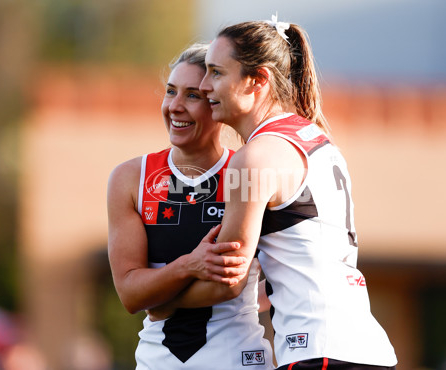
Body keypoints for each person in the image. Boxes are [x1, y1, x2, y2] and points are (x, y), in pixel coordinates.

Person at [150, 17, 399, 370]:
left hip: (318, 352)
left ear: (258, 80)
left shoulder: (254, 157)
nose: (205, 86)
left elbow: (227, 282)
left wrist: (161, 303)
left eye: (216, 73)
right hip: (366, 349)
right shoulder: (317, 139)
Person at [107, 43, 273, 370]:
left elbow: (227, 284)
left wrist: (158, 303)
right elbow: (129, 294)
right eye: (171, 92)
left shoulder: (246, 170)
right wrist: (188, 266)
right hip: (158, 361)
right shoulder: (129, 178)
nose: (175, 106)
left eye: (192, 96)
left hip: (235, 359)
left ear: (218, 103)